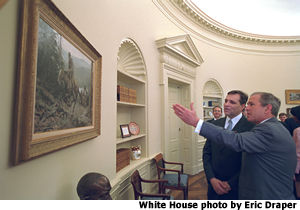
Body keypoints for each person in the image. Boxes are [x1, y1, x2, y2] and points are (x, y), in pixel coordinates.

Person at [173, 92, 296, 199]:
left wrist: (196, 122)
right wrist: (211, 178)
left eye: (251, 104)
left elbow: (236, 140)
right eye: (247, 104)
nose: (247, 108)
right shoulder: (272, 127)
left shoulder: (269, 130)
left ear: (267, 109)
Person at [203, 90, 255, 200]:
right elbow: (207, 153)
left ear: (242, 106)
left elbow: (251, 162)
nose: (226, 104)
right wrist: (211, 178)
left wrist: (231, 183)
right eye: (226, 101)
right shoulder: (215, 124)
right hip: (213, 186)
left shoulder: (251, 127)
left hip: (237, 188)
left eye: (232, 102)